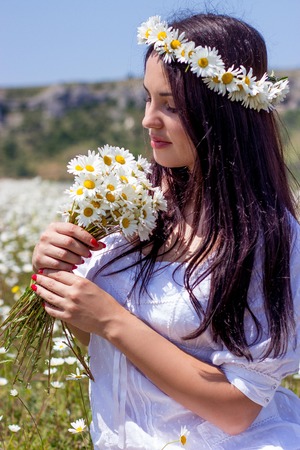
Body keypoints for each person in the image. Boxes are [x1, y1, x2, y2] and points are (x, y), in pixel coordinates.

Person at [31, 11, 300, 450]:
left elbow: (237, 410)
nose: (148, 120)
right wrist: (56, 275)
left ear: (223, 113)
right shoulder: (128, 199)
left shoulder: (270, 239)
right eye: (147, 99)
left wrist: (111, 319)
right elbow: (91, 335)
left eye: (171, 105)